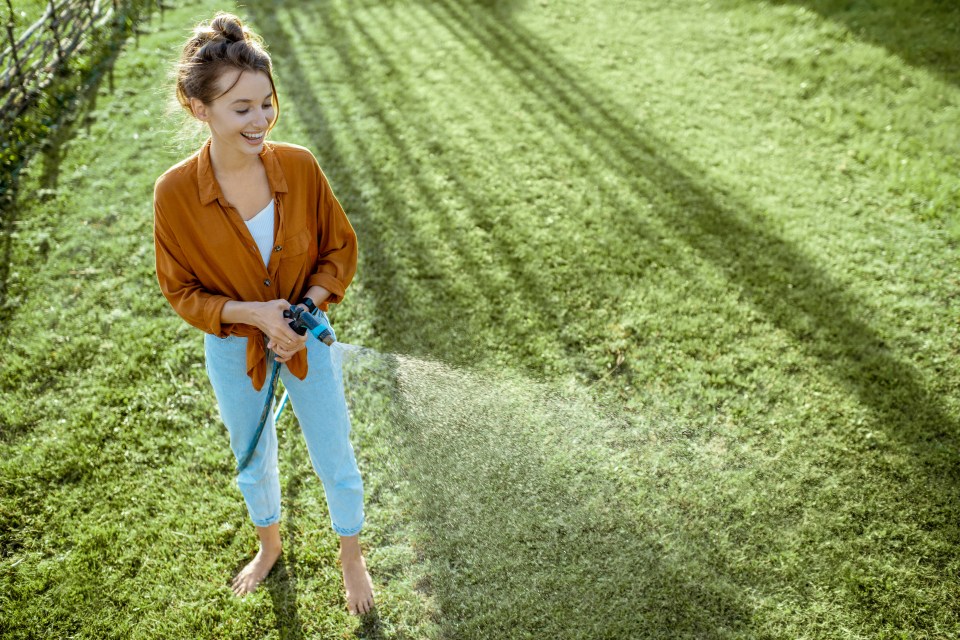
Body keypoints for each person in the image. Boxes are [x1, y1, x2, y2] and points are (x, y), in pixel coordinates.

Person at [152, 12, 374, 615]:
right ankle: (269, 544)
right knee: (251, 458)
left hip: (309, 342)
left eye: (267, 103)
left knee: (335, 451)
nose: (260, 120)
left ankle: (350, 554)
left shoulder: (299, 166)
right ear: (201, 109)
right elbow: (181, 290)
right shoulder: (174, 193)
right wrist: (252, 314)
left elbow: (339, 250)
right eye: (241, 108)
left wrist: (302, 313)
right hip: (232, 349)